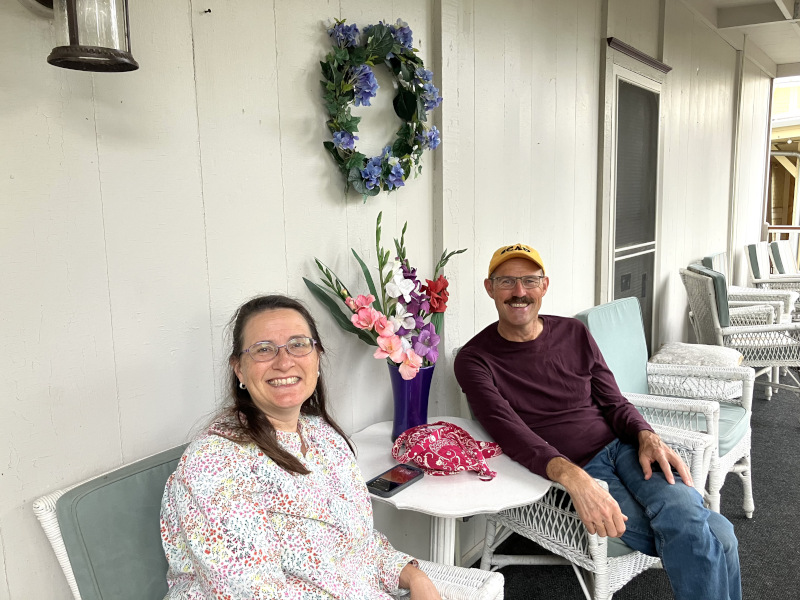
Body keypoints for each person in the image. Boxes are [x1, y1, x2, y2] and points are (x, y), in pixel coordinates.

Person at [454, 244, 741, 600]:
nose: (519, 292)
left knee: (698, 523)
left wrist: (646, 435)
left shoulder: (574, 334)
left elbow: (614, 402)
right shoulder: (475, 359)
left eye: (529, 281)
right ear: (489, 287)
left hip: (623, 449)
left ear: (544, 286)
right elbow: (510, 434)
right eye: (507, 281)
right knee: (719, 534)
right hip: (574, 469)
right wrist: (574, 476)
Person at [160, 295, 440, 599]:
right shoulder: (215, 463)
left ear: (317, 357)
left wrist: (414, 577)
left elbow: (357, 544)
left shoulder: (324, 437)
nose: (284, 362)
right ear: (239, 369)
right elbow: (250, 592)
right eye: (263, 349)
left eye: (298, 344)